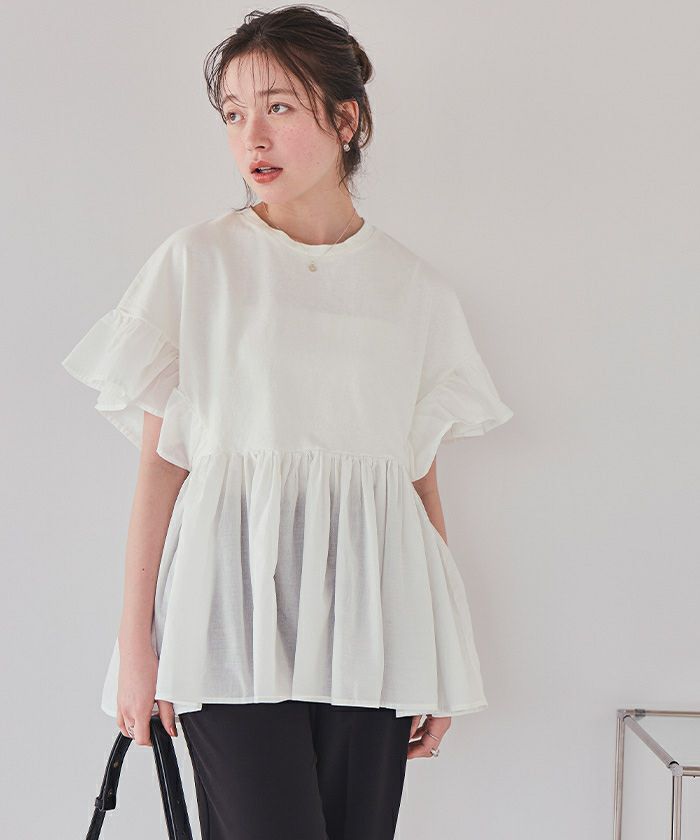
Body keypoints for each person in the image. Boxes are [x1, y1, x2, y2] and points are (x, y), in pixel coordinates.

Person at [61, 5, 514, 839]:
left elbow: (416, 479)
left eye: (278, 107)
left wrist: (437, 656)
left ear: (347, 119)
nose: (252, 137)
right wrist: (136, 646)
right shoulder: (199, 263)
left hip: (372, 632)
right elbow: (162, 467)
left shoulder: (414, 291)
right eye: (234, 114)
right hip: (224, 628)